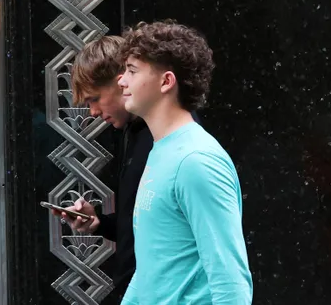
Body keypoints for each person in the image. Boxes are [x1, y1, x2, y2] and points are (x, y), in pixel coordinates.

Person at [117, 21, 251, 304]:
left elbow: (230, 280)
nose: (121, 81)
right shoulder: (161, 150)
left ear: (166, 82)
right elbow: (152, 267)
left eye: (132, 71)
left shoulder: (196, 161)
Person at [49, 35, 150, 302]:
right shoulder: (135, 133)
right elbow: (146, 225)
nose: (92, 112)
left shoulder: (169, 140)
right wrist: (100, 222)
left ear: (123, 81)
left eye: (95, 98)